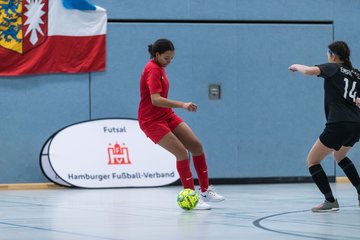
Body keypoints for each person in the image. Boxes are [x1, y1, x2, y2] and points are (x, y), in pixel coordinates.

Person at [138, 39, 225, 210]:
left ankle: (205, 191)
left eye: (172, 59)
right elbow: (155, 100)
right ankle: (191, 196)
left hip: (166, 115)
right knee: (182, 153)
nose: (169, 62)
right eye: (166, 58)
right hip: (151, 120)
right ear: (157, 55)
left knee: (196, 146)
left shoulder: (160, 67)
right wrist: (183, 105)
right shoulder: (152, 70)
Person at [289, 41, 360, 212]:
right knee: (340, 156)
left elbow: (308, 71)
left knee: (312, 161)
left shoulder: (332, 67)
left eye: (328, 53)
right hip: (357, 124)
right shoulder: (356, 73)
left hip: (339, 123)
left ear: (333, 55)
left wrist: (296, 65)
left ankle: (330, 201)